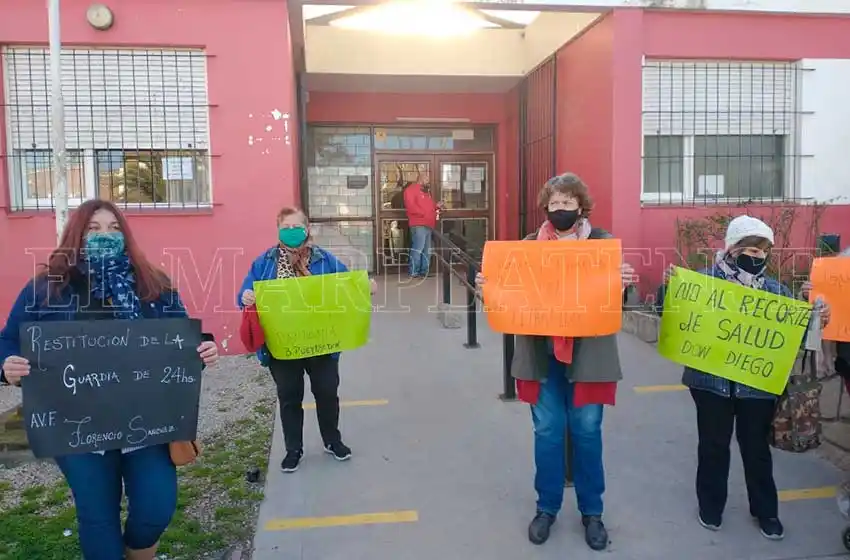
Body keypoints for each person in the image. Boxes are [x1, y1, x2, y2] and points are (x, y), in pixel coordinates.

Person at [0, 199, 220, 560]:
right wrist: (7, 366)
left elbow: (182, 336)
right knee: (98, 519)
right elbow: (8, 340)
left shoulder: (153, 283)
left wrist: (204, 347)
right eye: (95, 229)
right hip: (76, 428)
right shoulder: (47, 287)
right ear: (78, 235)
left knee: (156, 507)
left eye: (114, 228)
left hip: (147, 423)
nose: (106, 235)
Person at [475, 173, 636, 551]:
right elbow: (510, 298)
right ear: (545, 207)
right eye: (554, 202)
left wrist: (623, 283)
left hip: (589, 356)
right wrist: (489, 288)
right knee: (547, 432)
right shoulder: (529, 247)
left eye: (567, 202)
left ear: (581, 206)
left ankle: (591, 512)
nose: (560, 209)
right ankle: (546, 508)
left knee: (587, 432)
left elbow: (615, 301)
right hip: (542, 355)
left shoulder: (602, 244)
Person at [656, 215, 831, 541]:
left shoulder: (776, 291)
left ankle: (765, 510)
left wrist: (818, 316)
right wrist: (668, 290)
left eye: (762, 251)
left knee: (756, 450)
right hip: (710, 384)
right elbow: (673, 318)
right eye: (749, 248)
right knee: (713, 446)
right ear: (732, 249)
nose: (756, 256)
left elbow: (800, 336)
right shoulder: (703, 283)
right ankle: (710, 506)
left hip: (757, 388)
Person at [238, 207, 375, 473]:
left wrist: (366, 285)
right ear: (278, 230)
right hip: (283, 345)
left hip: (321, 342)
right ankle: (293, 449)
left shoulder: (324, 259)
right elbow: (244, 291)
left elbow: (347, 282)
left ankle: (332, 441)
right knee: (289, 396)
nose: (291, 232)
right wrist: (245, 296)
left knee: (326, 392)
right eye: (285, 227)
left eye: (296, 226)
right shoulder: (264, 263)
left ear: (307, 228)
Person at [403, 181, 443, 278]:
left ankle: (424, 271)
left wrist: (437, 206)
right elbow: (411, 206)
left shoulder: (425, 192)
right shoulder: (411, 190)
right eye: (426, 178)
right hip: (419, 223)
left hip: (428, 223)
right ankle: (413, 271)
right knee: (418, 248)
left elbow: (430, 207)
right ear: (420, 179)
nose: (428, 180)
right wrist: (425, 214)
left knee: (426, 249)